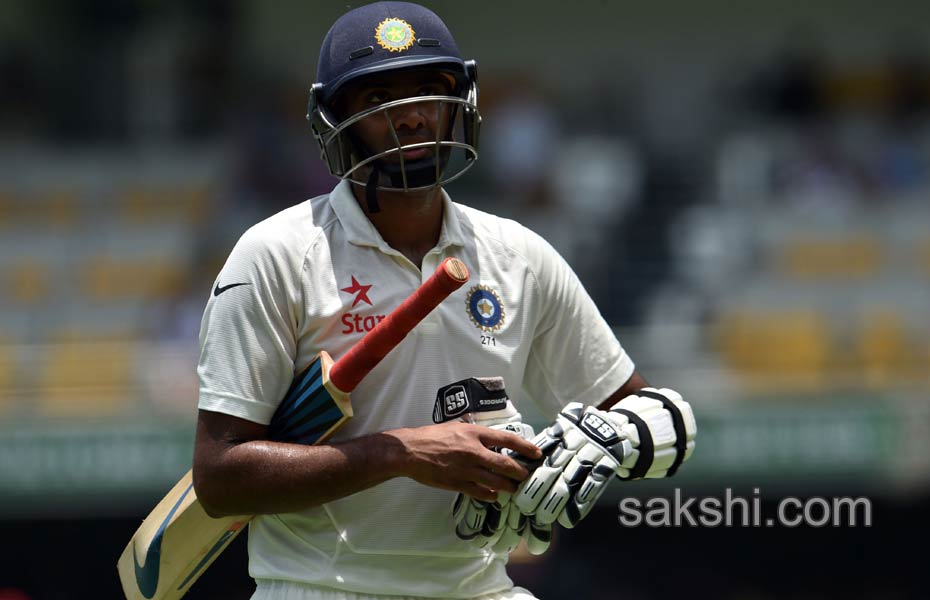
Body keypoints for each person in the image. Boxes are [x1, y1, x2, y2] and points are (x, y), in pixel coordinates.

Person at [191, 3, 696, 599]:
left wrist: (602, 442)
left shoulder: (519, 255)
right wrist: (400, 453)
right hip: (319, 586)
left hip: (480, 586)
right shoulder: (276, 253)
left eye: (430, 90)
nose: (411, 117)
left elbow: (650, 414)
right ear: (335, 119)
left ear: (463, 102)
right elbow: (220, 479)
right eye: (379, 100)